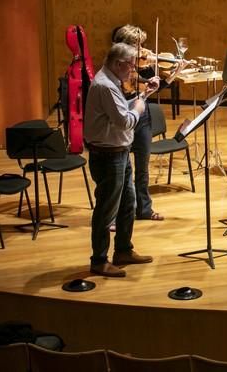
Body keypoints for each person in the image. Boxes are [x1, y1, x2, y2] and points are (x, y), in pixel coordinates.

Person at [84, 42, 158, 277]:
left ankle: (123, 250)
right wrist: (138, 107)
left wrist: (144, 95)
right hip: (108, 156)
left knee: (129, 204)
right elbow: (125, 121)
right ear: (118, 63)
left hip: (119, 152)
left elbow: (120, 111)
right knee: (106, 210)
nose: (133, 70)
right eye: (131, 65)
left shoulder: (112, 81)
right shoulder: (105, 85)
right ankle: (98, 260)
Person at [112, 25, 180, 222]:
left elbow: (151, 85)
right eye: (138, 46)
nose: (143, 51)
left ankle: (144, 209)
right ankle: (116, 214)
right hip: (123, 119)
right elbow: (131, 86)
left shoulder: (139, 65)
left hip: (142, 116)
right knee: (122, 171)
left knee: (142, 168)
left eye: (142, 45)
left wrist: (175, 70)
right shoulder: (116, 69)